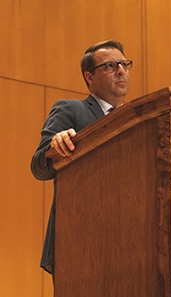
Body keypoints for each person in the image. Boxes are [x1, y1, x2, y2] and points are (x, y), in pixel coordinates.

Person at [31, 40, 132, 274]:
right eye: (110, 66)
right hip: (78, 238)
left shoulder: (134, 118)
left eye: (124, 64)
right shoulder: (71, 109)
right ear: (89, 77)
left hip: (128, 241)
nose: (120, 71)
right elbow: (38, 166)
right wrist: (55, 146)